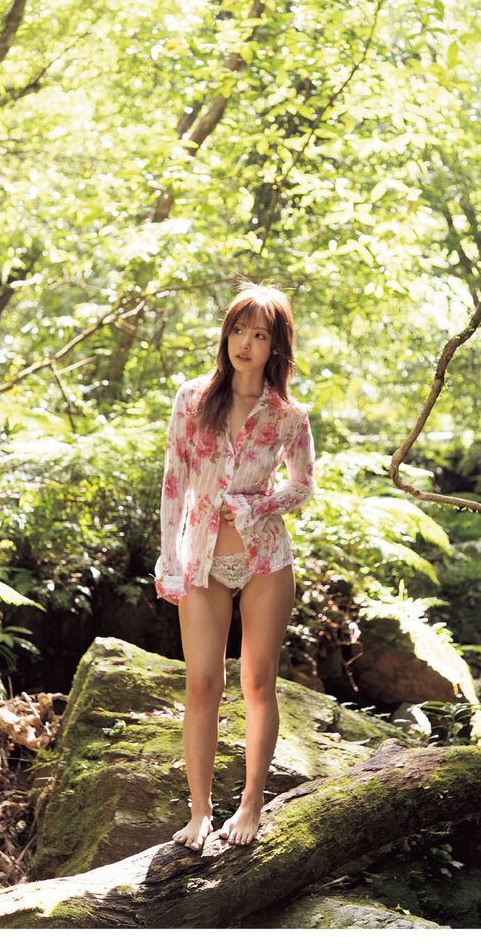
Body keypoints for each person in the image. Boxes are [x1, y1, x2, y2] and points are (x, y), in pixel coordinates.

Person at [154, 282, 315, 851]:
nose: (245, 343)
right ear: (225, 336)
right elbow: (174, 483)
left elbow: (304, 485)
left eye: (259, 334)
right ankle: (199, 812)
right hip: (200, 559)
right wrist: (168, 560)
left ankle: (251, 804)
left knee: (257, 681)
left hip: (265, 559)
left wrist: (255, 506)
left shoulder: (288, 416)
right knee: (202, 684)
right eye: (238, 330)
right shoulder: (192, 399)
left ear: (276, 346)